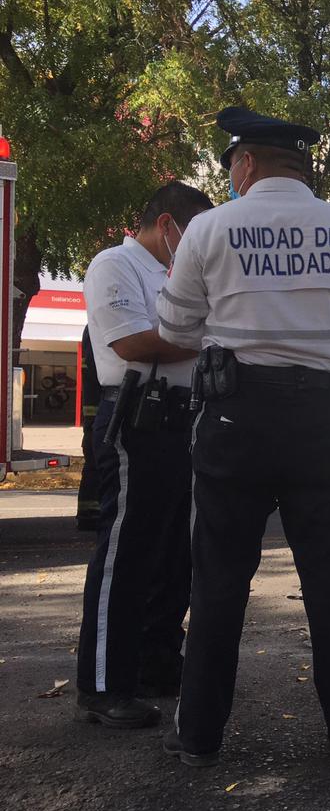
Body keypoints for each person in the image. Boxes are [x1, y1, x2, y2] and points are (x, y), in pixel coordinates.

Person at [156, 106, 330, 767]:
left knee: (218, 581)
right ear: (301, 164)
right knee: (329, 580)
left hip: (233, 420)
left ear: (245, 164)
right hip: (323, 423)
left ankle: (199, 734)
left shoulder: (210, 228)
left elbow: (179, 330)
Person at [76, 182, 213, 728]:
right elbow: (132, 342)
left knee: (177, 553)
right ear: (167, 225)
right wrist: (210, 340)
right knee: (126, 552)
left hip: (185, 417)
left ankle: (157, 663)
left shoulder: (179, 276)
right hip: (138, 414)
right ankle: (103, 684)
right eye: (194, 231)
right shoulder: (115, 264)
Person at [75, 327, 102, 532]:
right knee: (96, 462)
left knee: (93, 463)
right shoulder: (96, 329)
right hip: (99, 410)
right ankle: (90, 514)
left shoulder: (91, 329)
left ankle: (88, 512)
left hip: (95, 410)